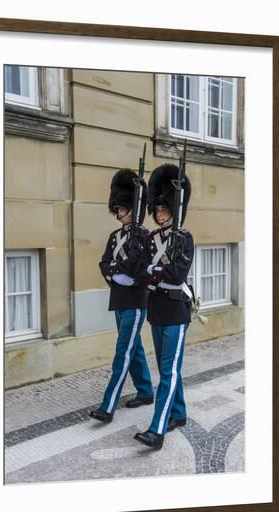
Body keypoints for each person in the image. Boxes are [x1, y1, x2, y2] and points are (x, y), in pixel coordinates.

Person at [134, 163, 194, 449]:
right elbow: (142, 270)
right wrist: (156, 271)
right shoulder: (151, 239)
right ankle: (179, 414)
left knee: (168, 372)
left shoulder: (184, 238)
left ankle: (157, 429)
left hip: (176, 312)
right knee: (168, 369)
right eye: (156, 211)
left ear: (174, 209)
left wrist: (154, 272)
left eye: (164, 210)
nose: (159, 214)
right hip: (156, 311)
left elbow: (176, 276)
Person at [89, 169, 154, 423]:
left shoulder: (146, 236)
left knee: (122, 353)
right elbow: (105, 263)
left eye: (122, 209)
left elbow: (137, 267)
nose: (118, 213)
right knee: (133, 347)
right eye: (116, 209)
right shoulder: (115, 237)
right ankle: (146, 391)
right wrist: (116, 273)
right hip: (119, 300)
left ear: (132, 207)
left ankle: (108, 407)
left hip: (136, 302)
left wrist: (120, 271)